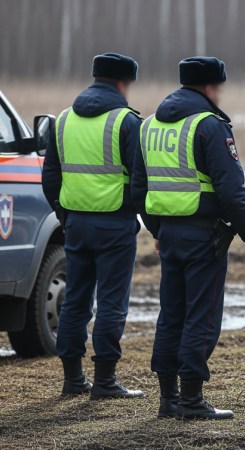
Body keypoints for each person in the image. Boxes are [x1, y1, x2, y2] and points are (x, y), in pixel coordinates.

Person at [132, 57, 245, 420]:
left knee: (171, 313)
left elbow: (138, 187)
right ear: (210, 87)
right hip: (204, 236)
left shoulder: (150, 126)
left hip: (169, 235)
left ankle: (167, 399)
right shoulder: (209, 126)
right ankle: (191, 400)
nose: (221, 94)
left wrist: (157, 229)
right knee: (201, 316)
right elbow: (231, 189)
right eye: (219, 87)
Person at [42, 53, 144, 399]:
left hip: (75, 225)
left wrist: (65, 215)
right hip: (114, 225)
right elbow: (140, 179)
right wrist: (136, 213)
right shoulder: (126, 122)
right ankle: (105, 381)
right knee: (112, 302)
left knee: (75, 303)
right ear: (123, 82)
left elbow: (50, 176)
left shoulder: (64, 119)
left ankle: (72, 380)